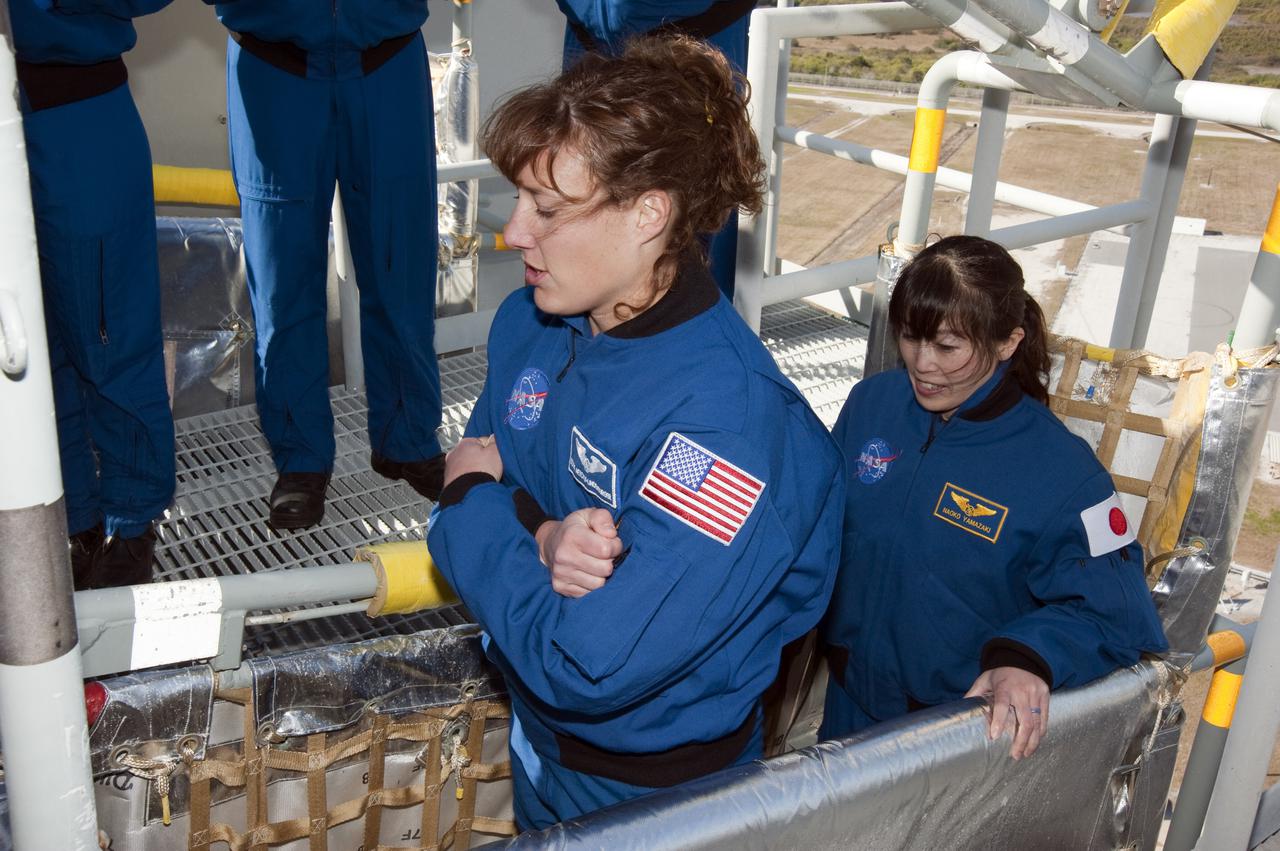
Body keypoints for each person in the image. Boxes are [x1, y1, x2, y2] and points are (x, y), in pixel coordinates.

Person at [427, 36, 845, 829]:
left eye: (547, 209)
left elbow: (582, 661)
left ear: (650, 212)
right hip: (534, 739)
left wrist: (476, 510)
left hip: (656, 798)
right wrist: (544, 534)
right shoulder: (534, 322)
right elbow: (480, 467)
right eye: (519, 199)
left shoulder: (730, 428)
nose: (513, 232)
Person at [821, 235, 1168, 759]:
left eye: (947, 346)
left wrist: (1027, 657)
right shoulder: (872, 404)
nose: (921, 363)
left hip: (955, 734)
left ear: (1008, 342)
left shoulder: (1065, 474)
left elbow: (1117, 616)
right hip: (847, 707)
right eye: (911, 338)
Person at [203, 0, 445, 530]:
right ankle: (301, 459)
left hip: (388, 59)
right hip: (274, 68)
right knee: (283, 281)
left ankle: (407, 438)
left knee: (400, 264)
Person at [11, 0, 176, 590]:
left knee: (107, 329)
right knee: (28, 337)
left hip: (79, 112)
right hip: (13, 115)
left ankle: (131, 523)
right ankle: (72, 518)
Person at [555, 0, 755, 299]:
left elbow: (625, 11)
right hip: (594, 59)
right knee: (577, 227)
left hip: (696, 55)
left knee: (693, 239)